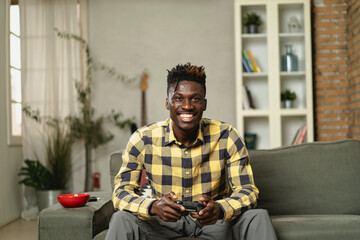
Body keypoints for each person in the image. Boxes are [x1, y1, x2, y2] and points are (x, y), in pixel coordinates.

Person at [106, 63, 277, 240]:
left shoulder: (227, 136)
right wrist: (154, 206)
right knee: (121, 219)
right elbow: (121, 192)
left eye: (195, 99)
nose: (187, 106)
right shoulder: (142, 139)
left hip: (215, 224)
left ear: (204, 104)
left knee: (258, 216)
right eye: (179, 98)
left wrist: (220, 209)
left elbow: (247, 191)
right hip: (163, 226)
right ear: (168, 103)